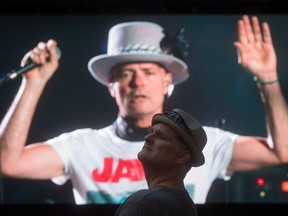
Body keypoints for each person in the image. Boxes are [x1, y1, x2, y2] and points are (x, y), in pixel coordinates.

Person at [1, 15, 288, 204]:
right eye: (127, 74)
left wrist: (267, 78)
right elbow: (8, 163)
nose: (138, 82)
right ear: (111, 85)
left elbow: (282, 151)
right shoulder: (80, 146)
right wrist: (33, 84)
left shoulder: (203, 143)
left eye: (149, 72)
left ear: (167, 82)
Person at [114, 108, 207, 216]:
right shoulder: (187, 205)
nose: (147, 138)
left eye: (161, 136)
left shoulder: (143, 203)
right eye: (151, 132)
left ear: (182, 156)